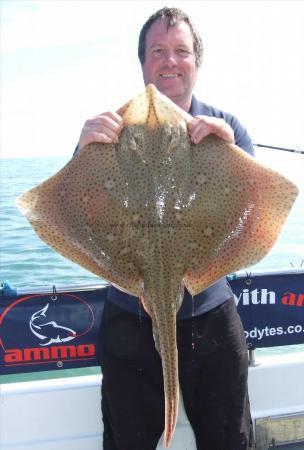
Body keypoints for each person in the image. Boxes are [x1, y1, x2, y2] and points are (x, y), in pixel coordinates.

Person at [77, 7, 255, 450]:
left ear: (197, 61)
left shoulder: (226, 129)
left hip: (211, 318)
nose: (170, 60)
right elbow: (76, 215)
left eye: (181, 50)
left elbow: (255, 217)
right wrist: (81, 153)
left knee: (230, 440)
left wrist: (233, 158)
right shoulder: (108, 133)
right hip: (129, 323)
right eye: (158, 51)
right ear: (143, 63)